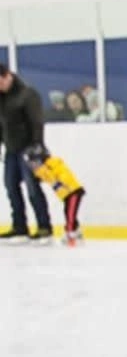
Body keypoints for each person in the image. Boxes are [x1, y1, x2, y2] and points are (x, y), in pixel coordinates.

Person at [0, 63, 54, 243]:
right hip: (11, 150)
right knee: (10, 187)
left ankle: (44, 226)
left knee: (33, 188)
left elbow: (37, 122)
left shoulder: (28, 94)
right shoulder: (2, 98)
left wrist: (36, 147)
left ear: (7, 76)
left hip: (29, 150)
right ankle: (19, 226)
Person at [21, 144, 85, 245]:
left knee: (70, 214)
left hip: (73, 192)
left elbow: (58, 173)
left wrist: (61, 184)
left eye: (34, 162)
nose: (33, 166)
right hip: (66, 194)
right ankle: (76, 231)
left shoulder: (52, 163)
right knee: (67, 212)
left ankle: (71, 233)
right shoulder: (43, 168)